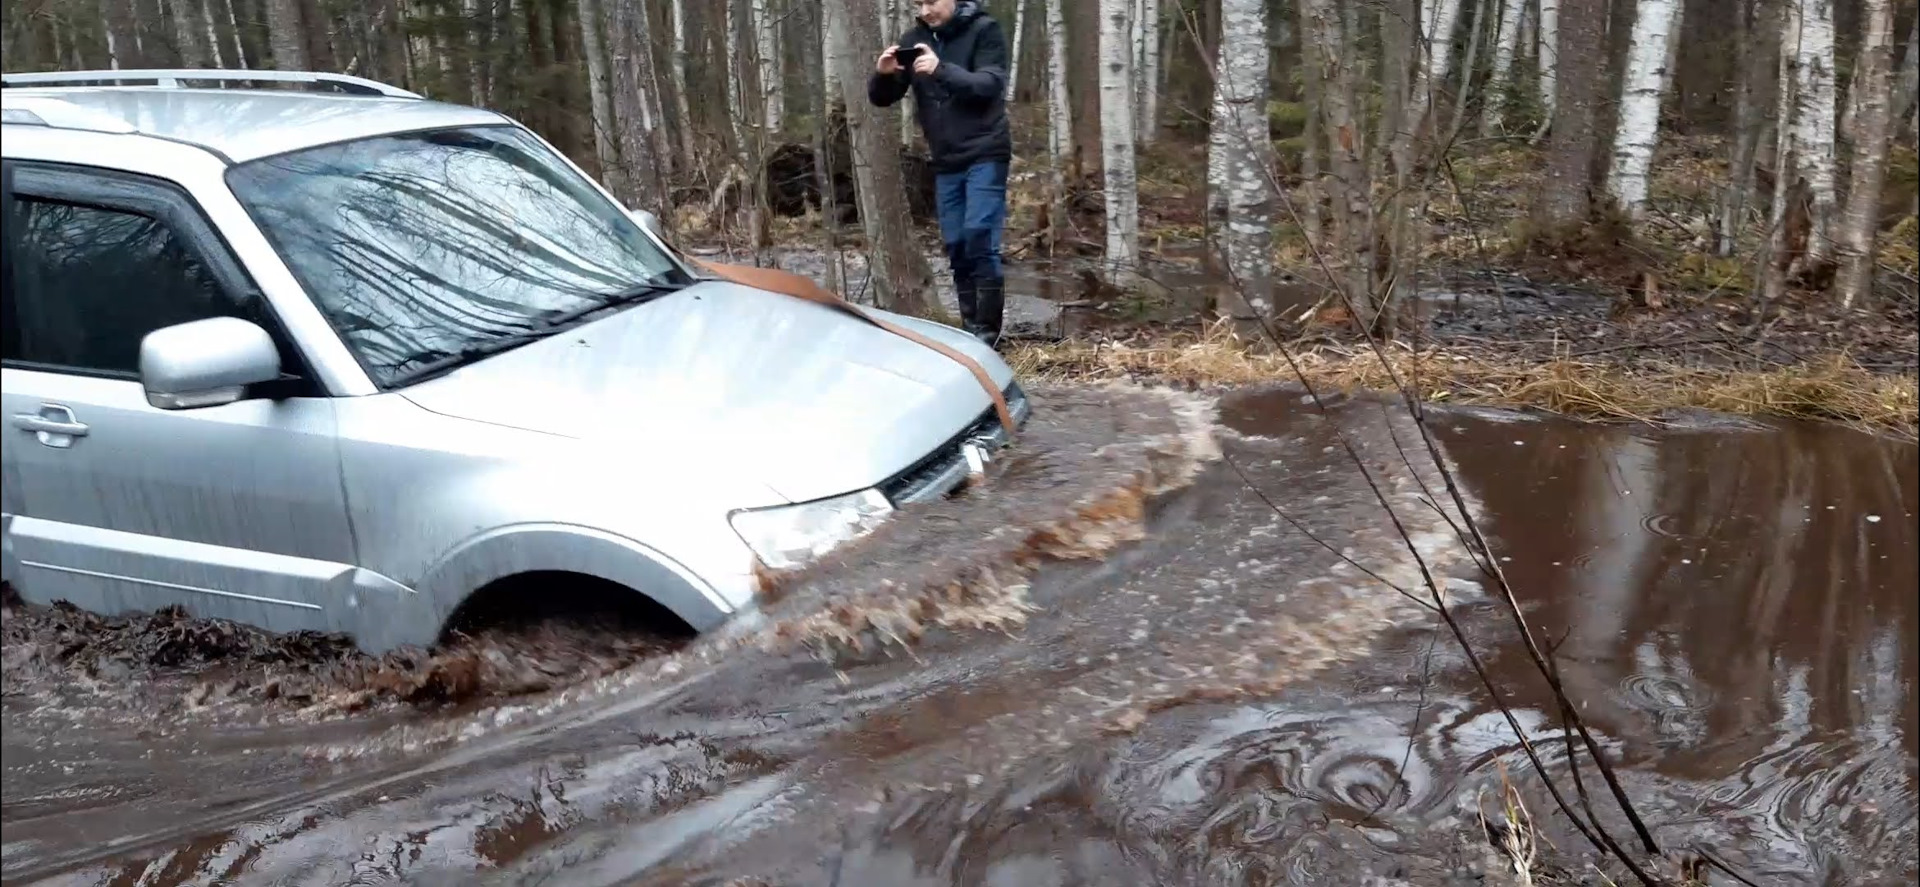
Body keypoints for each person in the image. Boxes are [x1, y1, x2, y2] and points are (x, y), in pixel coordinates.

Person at [867, 0, 1012, 347]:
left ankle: (989, 331)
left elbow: (989, 85)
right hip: (946, 160)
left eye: (931, 1)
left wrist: (941, 69)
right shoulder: (915, 38)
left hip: (985, 151)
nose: (924, 10)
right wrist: (883, 74)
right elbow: (882, 98)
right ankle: (971, 327)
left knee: (979, 235)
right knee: (957, 245)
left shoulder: (985, 29)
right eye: (918, 3)